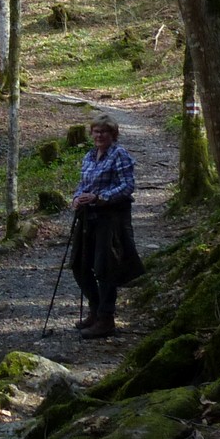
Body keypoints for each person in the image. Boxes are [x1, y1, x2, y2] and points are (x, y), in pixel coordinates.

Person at [69, 117, 145, 339]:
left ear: (113, 134)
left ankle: (106, 318)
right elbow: (83, 184)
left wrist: (101, 197)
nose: (99, 135)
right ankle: (95, 309)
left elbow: (127, 185)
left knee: (105, 267)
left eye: (104, 131)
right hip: (87, 216)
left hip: (110, 218)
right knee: (79, 265)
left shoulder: (119, 154)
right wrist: (76, 199)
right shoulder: (89, 156)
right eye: (96, 131)